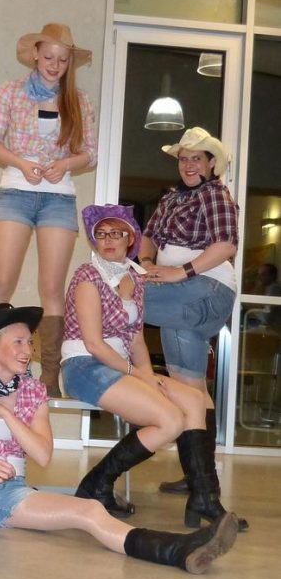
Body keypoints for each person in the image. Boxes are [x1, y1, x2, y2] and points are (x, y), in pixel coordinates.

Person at [0, 303, 238, 577]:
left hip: (14, 494)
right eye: (18, 342)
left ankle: (180, 551)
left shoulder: (33, 393)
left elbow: (42, 455)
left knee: (91, 511)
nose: (27, 350)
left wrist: (7, 415)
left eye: (29, 342)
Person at [60, 204, 246, 531]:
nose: (108, 240)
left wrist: (145, 374)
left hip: (121, 368)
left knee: (192, 399)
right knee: (170, 420)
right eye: (101, 234)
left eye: (116, 233)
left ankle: (204, 498)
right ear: (93, 240)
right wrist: (140, 376)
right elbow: (94, 344)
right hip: (84, 365)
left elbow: (136, 341)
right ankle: (96, 484)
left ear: (130, 238)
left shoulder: (135, 278)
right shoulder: (87, 276)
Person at [0, 23, 97, 397]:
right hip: (15, 191)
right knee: (1, 281)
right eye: (48, 57)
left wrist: (65, 164)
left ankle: (48, 377)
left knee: (51, 287)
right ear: (35, 54)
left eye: (62, 60)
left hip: (59, 197)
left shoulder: (78, 100)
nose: (54, 65)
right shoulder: (10, 91)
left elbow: (90, 153)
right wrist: (21, 162)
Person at [138, 127, 246, 526]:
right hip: (178, 297)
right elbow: (148, 237)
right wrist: (147, 263)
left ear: (211, 164)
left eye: (196, 158)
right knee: (191, 389)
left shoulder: (215, 194)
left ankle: (101, 364)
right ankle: (201, 481)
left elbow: (226, 244)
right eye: (183, 159)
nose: (188, 165)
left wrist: (178, 272)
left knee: (115, 299)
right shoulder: (170, 198)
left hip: (204, 288)